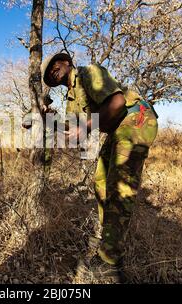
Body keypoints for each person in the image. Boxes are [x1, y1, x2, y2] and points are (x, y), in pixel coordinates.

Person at [41, 53, 158, 282]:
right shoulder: (71, 98)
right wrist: (47, 119)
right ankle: (109, 239)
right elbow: (74, 131)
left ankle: (109, 262)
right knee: (101, 183)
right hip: (118, 129)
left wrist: (84, 126)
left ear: (67, 62)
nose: (53, 71)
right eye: (48, 73)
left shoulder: (88, 73)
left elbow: (117, 103)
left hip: (136, 119)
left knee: (120, 187)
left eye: (56, 64)